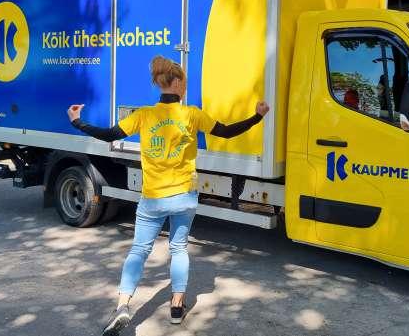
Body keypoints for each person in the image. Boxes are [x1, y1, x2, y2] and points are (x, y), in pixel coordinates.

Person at [66, 55, 269, 336]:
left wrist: (77, 122)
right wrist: (258, 116)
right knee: (179, 248)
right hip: (184, 196)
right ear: (175, 83)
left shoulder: (144, 115)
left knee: (139, 250)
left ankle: (123, 305)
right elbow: (226, 132)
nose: (185, 87)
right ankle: (176, 306)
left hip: (153, 198)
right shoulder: (192, 115)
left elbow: (108, 134)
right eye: (184, 83)